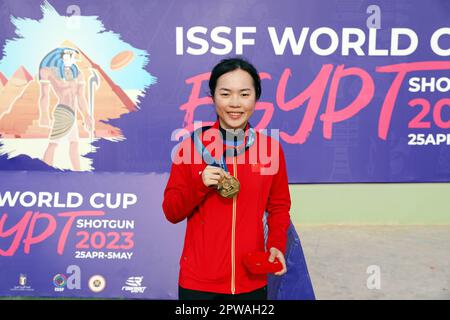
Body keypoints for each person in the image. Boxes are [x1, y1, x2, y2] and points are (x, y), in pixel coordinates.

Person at [162, 57, 291, 300]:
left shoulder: (270, 149)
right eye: (225, 93)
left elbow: (279, 206)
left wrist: (275, 244)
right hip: (198, 282)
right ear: (213, 97)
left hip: (251, 279)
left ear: (256, 97)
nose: (234, 103)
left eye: (244, 94)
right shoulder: (191, 147)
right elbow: (171, 211)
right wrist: (199, 185)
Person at [38, 47, 92, 171]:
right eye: (72, 56)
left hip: (73, 114)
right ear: (63, 56)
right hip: (63, 112)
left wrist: (86, 115)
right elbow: (45, 94)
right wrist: (44, 114)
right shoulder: (49, 71)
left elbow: (81, 97)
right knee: (54, 144)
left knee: (74, 143)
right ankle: (45, 172)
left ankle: (78, 173)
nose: (74, 59)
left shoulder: (78, 74)